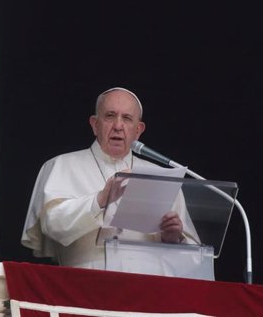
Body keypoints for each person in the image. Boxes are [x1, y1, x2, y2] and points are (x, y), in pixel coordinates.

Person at [21, 87, 199, 271]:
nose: (118, 126)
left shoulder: (160, 175)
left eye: (127, 118)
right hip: (85, 283)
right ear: (94, 124)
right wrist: (100, 199)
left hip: (150, 287)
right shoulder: (61, 165)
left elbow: (195, 258)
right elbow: (53, 225)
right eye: (110, 116)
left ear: (138, 130)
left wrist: (174, 237)